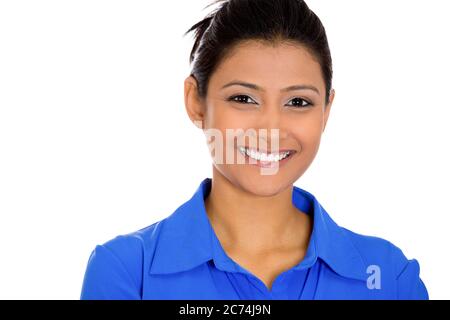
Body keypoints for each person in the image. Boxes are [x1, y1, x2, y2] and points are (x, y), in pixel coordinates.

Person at [80, 0, 429, 299]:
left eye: (298, 101)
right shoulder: (127, 271)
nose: (271, 129)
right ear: (195, 103)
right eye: (243, 98)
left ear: (326, 111)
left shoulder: (387, 276)